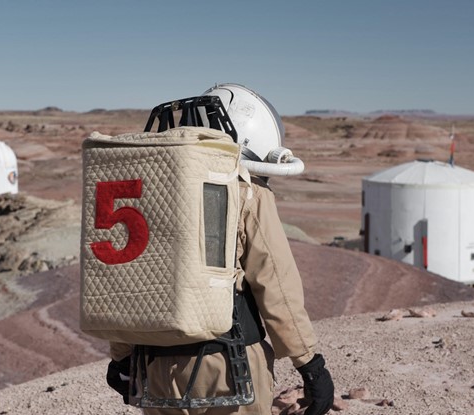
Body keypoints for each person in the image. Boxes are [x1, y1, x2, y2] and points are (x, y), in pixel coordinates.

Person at [106, 83, 334, 415]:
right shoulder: (247, 190)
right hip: (230, 365)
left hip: (153, 364)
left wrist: (121, 353)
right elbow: (274, 281)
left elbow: (130, 271)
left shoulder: (147, 192)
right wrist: (309, 363)